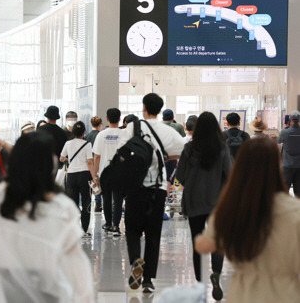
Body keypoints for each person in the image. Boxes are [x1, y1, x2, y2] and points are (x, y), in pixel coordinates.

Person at [0, 132, 95, 302]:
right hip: (50, 290)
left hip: (0, 291)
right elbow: (78, 271)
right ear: (48, 164)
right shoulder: (63, 207)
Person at [196, 137, 300, 302]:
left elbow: (204, 245)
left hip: (243, 293)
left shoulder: (230, 207)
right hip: (285, 293)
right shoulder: (295, 211)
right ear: (277, 166)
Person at [121, 93, 185, 293]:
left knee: (132, 230)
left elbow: (121, 154)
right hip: (157, 190)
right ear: (159, 109)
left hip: (135, 187)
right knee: (153, 234)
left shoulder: (132, 128)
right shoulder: (168, 132)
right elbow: (182, 151)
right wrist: (165, 157)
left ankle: (135, 262)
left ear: (144, 107)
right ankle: (147, 280)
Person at [176, 112, 232, 300]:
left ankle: (200, 283)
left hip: (194, 201)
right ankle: (216, 273)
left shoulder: (189, 149)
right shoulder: (222, 148)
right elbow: (230, 174)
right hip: (217, 202)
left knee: (197, 242)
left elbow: (180, 177)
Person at [60, 121, 95, 237]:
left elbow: (61, 158)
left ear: (73, 132)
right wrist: (94, 177)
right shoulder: (87, 144)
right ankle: (84, 230)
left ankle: (74, 229)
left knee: (73, 202)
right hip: (84, 175)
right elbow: (90, 162)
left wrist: (68, 160)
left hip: (71, 175)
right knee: (86, 202)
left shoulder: (68, 143)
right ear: (84, 132)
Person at [92, 108, 123, 236]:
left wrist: (94, 174)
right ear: (119, 119)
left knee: (106, 199)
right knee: (118, 200)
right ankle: (116, 225)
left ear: (107, 119)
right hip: (120, 172)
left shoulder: (101, 135)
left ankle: (108, 223)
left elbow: (97, 156)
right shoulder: (124, 134)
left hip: (105, 172)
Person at [277, 110, 300, 197]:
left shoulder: (285, 132)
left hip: (287, 164)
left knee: (285, 189)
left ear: (289, 119)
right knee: (298, 191)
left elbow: (279, 140)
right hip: (299, 165)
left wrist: (286, 127)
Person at [86, 116, 103, 212]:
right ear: (100, 124)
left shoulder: (87, 136)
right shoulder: (101, 135)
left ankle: (95, 202)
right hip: (99, 161)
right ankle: (99, 203)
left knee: (93, 182)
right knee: (99, 182)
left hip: (90, 162)